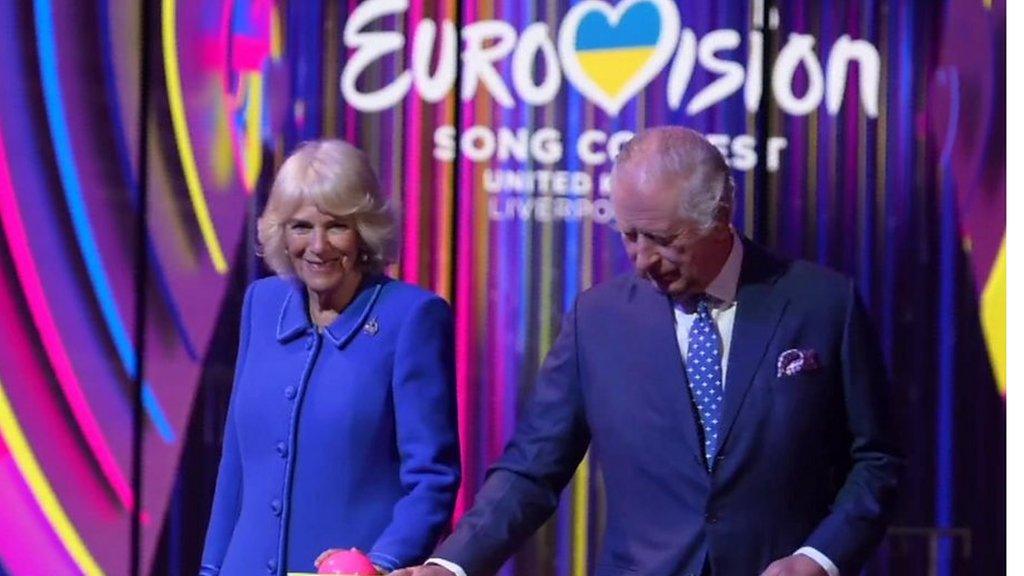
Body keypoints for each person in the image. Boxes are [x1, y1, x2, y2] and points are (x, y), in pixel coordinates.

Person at [393, 127, 901, 576]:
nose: (641, 261)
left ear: (721, 215)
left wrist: (821, 557)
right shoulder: (598, 319)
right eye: (628, 236)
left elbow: (877, 460)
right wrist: (452, 564)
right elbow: (532, 467)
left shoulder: (824, 304)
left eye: (661, 238)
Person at [200, 139, 460, 576]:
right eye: (301, 226)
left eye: (336, 226)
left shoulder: (413, 318)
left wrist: (380, 564)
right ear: (280, 232)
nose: (318, 246)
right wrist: (211, 568)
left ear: (365, 232)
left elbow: (431, 480)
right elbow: (236, 466)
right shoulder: (261, 304)